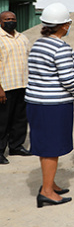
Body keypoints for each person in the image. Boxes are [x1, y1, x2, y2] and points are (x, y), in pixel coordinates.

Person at [26, 3, 74, 207]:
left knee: (46, 145)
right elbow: (68, 78)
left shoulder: (37, 44)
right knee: (51, 147)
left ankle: (50, 184)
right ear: (64, 26)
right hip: (53, 105)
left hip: (36, 102)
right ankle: (47, 191)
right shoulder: (61, 47)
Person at [0, 10, 31, 164]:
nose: (10, 21)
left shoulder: (23, 38)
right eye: (7, 19)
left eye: (13, 18)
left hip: (22, 84)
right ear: (1, 21)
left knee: (20, 119)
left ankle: (16, 146)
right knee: (2, 121)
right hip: (5, 87)